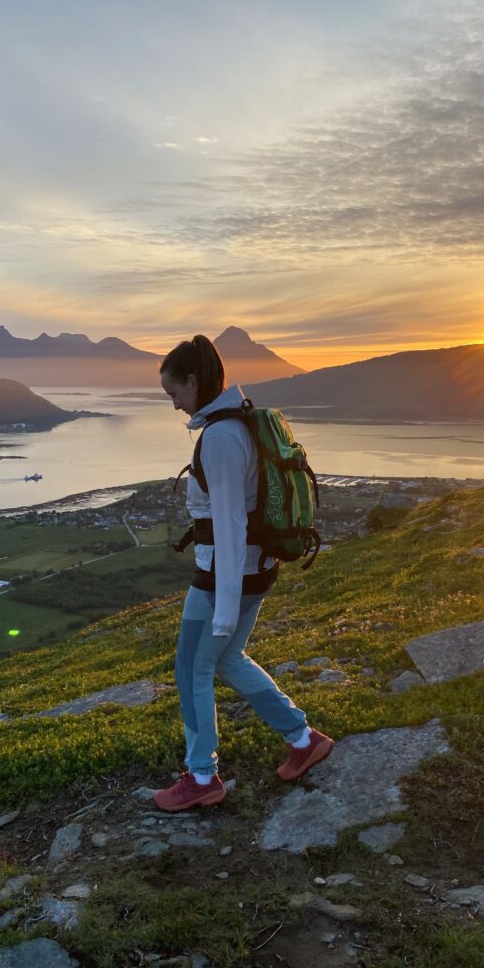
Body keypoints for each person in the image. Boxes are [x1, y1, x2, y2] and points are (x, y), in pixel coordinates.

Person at [154, 334, 333, 811]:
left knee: (192, 668)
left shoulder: (221, 438)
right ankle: (302, 738)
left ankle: (201, 776)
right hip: (254, 569)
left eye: (174, 394)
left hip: (223, 577)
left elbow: (231, 523)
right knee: (228, 659)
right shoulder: (241, 423)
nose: (174, 406)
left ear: (193, 382)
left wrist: (224, 609)